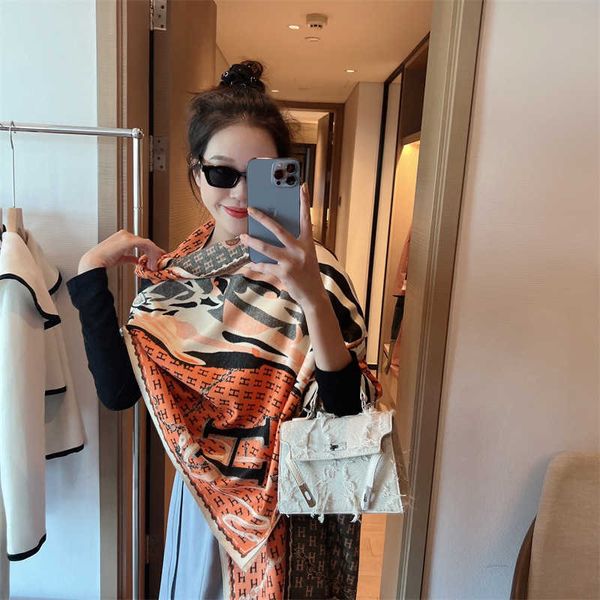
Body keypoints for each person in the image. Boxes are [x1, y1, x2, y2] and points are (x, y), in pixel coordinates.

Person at [67, 61, 379, 600]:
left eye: (259, 174)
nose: (239, 193)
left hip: (290, 511)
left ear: (286, 177)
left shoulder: (318, 271)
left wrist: (309, 293)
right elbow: (119, 393)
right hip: (203, 509)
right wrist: (89, 272)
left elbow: (348, 414)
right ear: (196, 176)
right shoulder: (179, 279)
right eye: (221, 173)